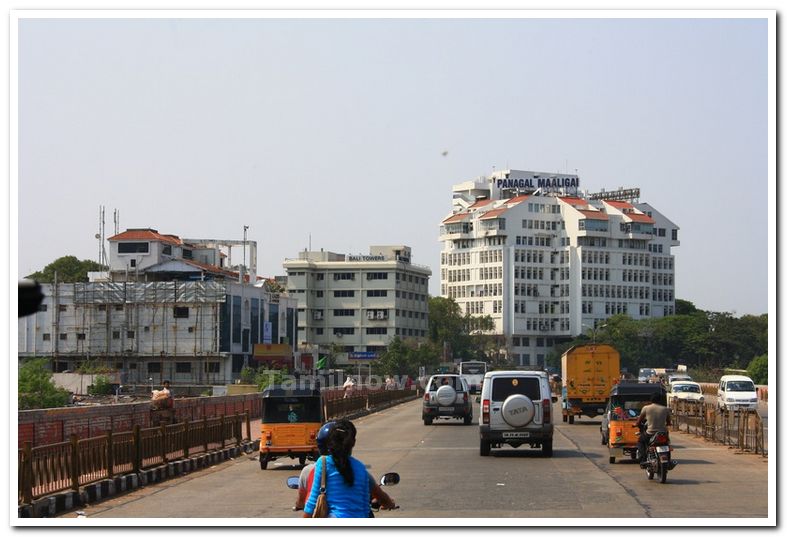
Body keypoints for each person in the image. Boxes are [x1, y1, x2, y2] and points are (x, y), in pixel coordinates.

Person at [303, 419, 396, 518]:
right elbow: (365, 508)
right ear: (353, 443)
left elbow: (312, 504)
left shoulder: (323, 462)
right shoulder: (360, 468)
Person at [635, 392, 672, 467]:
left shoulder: (646, 408)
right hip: (663, 433)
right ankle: (668, 461)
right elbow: (668, 422)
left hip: (650, 433)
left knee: (640, 441)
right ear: (660, 400)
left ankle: (643, 460)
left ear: (651, 399)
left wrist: (636, 424)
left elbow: (639, 421)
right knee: (667, 445)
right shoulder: (665, 409)